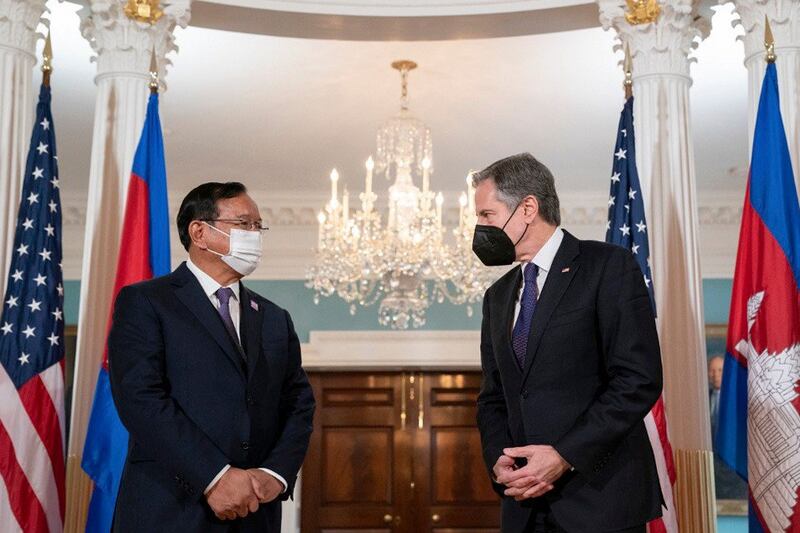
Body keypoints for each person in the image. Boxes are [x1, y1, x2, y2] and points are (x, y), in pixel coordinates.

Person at [108, 182, 315, 532]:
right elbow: (140, 397)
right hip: (170, 509)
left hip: (255, 512)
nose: (255, 235)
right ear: (200, 232)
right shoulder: (146, 302)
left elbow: (299, 403)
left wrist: (275, 474)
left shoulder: (275, 317)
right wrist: (215, 477)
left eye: (258, 226)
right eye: (244, 224)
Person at [473, 153, 663, 532]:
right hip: (525, 507)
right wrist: (498, 460)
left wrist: (564, 455)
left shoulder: (608, 266)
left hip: (602, 502)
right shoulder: (497, 296)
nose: (479, 227)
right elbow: (493, 396)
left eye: (486, 215)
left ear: (527, 208)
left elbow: (637, 379)